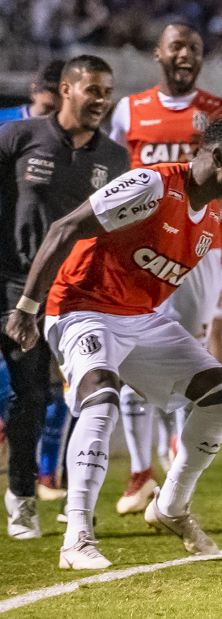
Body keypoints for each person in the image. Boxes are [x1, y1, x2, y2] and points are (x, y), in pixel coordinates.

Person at [5, 114, 222, 569]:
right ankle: (77, 538)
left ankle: (171, 507)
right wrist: (27, 309)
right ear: (220, 158)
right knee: (101, 398)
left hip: (137, 318)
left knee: (221, 393)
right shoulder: (151, 185)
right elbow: (65, 228)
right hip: (80, 306)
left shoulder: (208, 221)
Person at [109, 23, 222, 515]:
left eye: (195, 48)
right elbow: (117, 175)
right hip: (140, 251)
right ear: (157, 52)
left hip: (199, 253)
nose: (186, 54)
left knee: (187, 357)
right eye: (177, 46)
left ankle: (173, 454)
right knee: (127, 354)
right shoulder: (129, 110)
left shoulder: (221, 112)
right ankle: (140, 472)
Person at [0, 55, 130, 540]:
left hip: (79, 290)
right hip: (14, 285)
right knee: (30, 394)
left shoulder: (115, 159)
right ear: (68, 90)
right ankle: (22, 498)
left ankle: (77, 498)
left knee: (90, 394)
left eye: (106, 92)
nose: (100, 100)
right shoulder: (20, 138)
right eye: (92, 90)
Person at [0, 59, 69, 503]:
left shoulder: (73, 144)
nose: (49, 116)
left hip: (44, 273)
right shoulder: (8, 130)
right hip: (7, 268)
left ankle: (47, 474)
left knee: (52, 378)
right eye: (44, 105)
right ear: (33, 94)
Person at [0, 59, 63, 124]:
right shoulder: (4, 121)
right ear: (33, 93)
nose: (53, 117)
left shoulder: (69, 130)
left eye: (61, 112)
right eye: (47, 108)